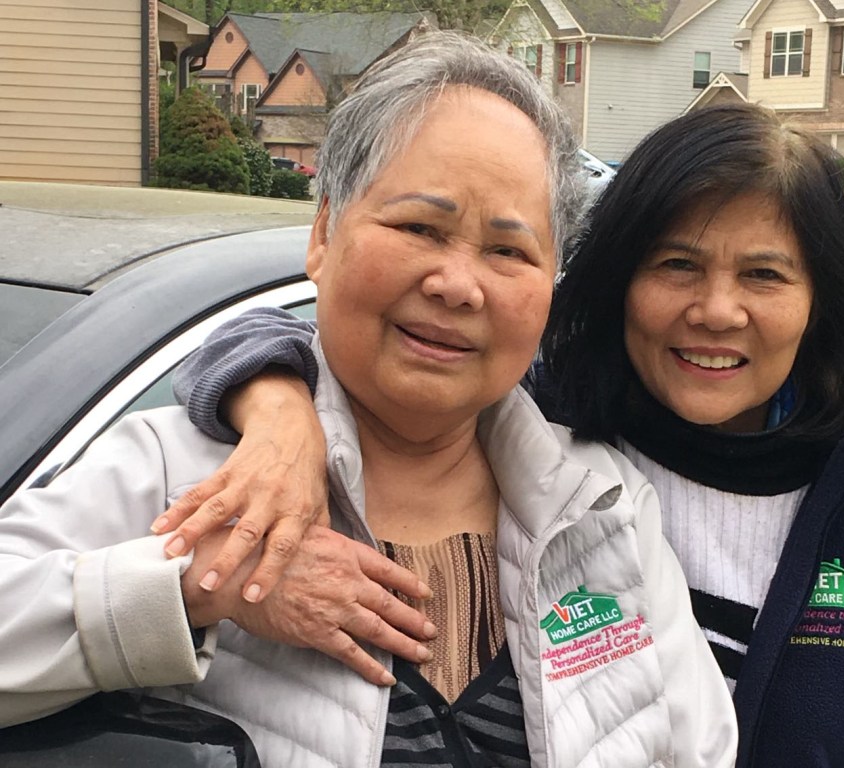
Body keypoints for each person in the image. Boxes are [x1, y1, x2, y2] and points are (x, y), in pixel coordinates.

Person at [164, 102, 844, 768]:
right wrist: (278, 414)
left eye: (764, 275)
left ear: (820, 303)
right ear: (618, 279)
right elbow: (299, 338)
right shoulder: (534, 439)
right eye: (677, 265)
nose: (716, 310)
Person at [0, 33, 738, 768]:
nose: (459, 285)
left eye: (509, 251)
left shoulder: (604, 506)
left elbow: (701, 749)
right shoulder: (183, 479)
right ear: (324, 233)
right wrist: (196, 587)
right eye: (420, 228)